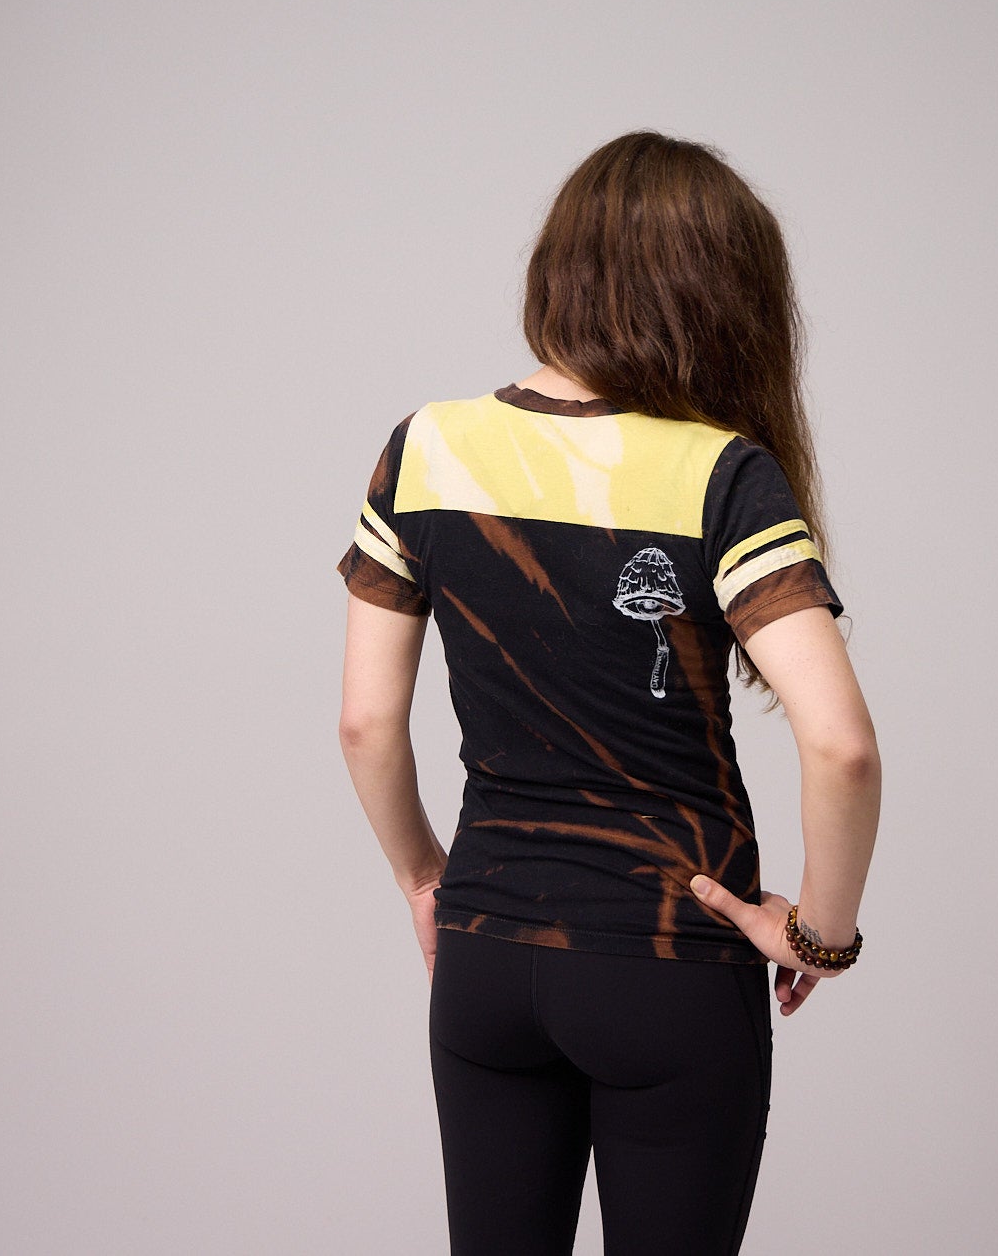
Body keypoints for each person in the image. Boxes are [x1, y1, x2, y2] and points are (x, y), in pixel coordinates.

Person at [334, 130, 882, 1256]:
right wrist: (819, 935)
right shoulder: (721, 473)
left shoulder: (424, 447)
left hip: (486, 955)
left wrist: (426, 877)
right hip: (670, 963)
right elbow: (841, 747)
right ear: (724, 297)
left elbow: (364, 722)